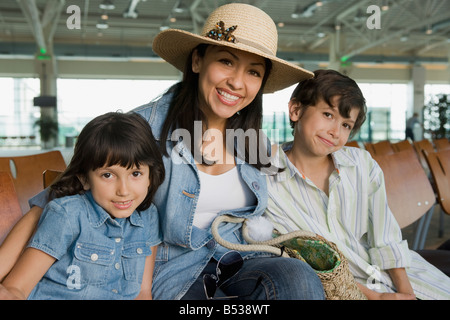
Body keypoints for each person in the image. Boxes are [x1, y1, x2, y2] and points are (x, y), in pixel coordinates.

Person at [0, 4, 325, 300]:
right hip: (173, 267)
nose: (237, 83)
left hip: (242, 256)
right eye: (226, 61)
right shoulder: (145, 126)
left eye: (253, 72)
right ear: (198, 60)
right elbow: (56, 200)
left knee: (299, 282)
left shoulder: (252, 139)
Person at [264, 69, 450, 300]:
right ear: (296, 110)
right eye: (328, 115)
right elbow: (304, 264)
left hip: (407, 278)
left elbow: (385, 236)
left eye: (346, 125)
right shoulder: (268, 183)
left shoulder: (361, 165)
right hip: (341, 292)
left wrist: (406, 293)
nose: (335, 132)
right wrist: (375, 296)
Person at [0, 112, 165, 299]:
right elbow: (17, 289)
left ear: (151, 176)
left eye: (135, 174)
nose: (124, 190)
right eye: (108, 175)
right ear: (84, 179)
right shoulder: (67, 214)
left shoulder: (149, 216)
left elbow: (143, 292)